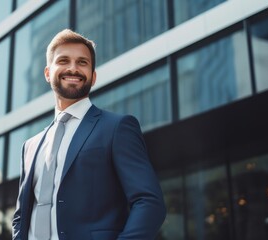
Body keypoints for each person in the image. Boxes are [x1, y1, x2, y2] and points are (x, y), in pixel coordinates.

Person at [12, 29, 166, 240]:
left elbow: (149, 202)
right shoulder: (30, 146)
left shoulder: (117, 127)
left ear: (93, 77)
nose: (73, 68)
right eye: (64, 61)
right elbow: (21, 217)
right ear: (48, 73)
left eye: (82, 62)